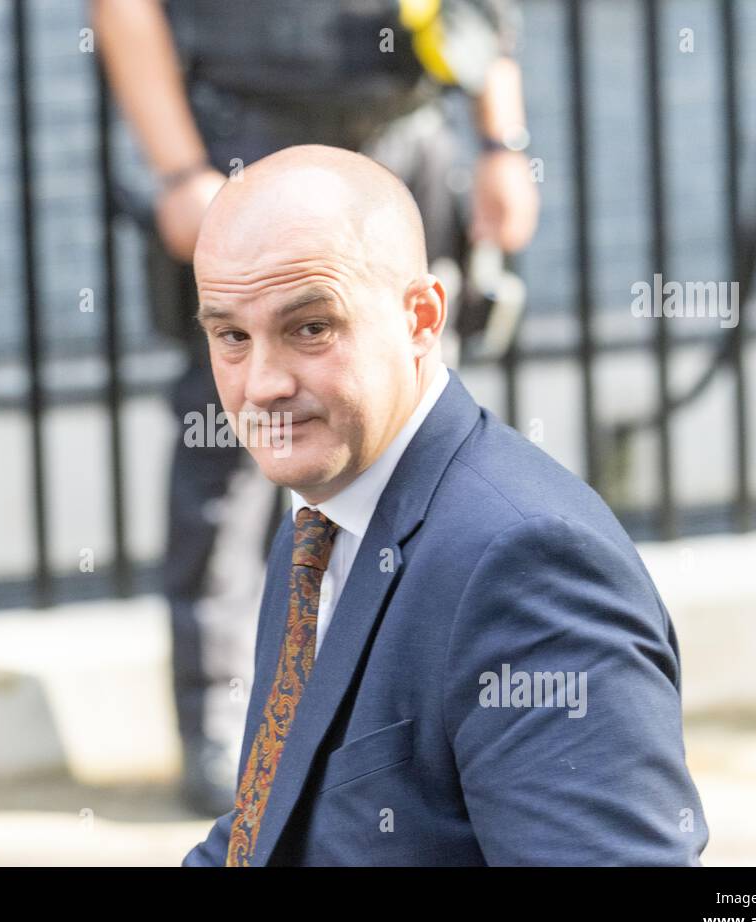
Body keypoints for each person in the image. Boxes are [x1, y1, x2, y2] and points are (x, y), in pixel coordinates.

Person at [181, 144, 708, 865]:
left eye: (311, 328)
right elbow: (268, 833)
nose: (263, 383)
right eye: (231, 336)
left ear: (423, 318)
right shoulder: (317, 531)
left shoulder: (528, 562)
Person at [93, 0, 539, 818]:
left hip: (404, 134)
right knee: (235, 452)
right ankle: (227, 731)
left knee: (411, 448)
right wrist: (180, 170)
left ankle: (402, 713)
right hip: (245, 136)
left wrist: (502, 142)